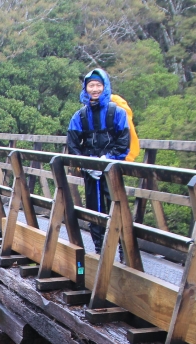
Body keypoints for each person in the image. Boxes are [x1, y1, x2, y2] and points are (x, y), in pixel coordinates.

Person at [66, 68, 131, 253]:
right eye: (91, 85)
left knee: (115, 206)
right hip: (90, 171)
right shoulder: (80, 116)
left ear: (105, 87)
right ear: (85, 89)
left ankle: (122, 251)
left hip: (112, 169)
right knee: (93, 208)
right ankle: (99, 249)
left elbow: (124, 142)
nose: (94, 89)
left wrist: (107, 160)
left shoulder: (117, 113)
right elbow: (72, 143)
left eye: (98, 85)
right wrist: (85, 163)